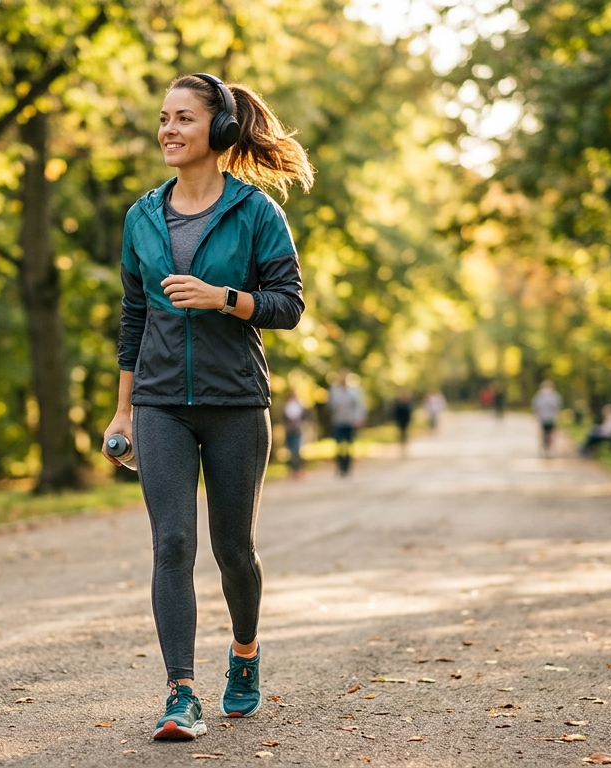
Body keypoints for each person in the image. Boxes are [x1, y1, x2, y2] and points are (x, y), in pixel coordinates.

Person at [101, 72, 313, 742]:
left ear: (217, 131)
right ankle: (180, 694)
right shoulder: (141, 216)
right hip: (161, 401)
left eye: (184, 118)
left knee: (233, 549)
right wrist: (122, 412)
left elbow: (288, 306)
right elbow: (133, 317)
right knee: (171, 543)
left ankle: (245, 655)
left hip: (235, 402)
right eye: (163, 118)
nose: (168, 130)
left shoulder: (255, 214)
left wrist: (225, 297)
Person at [328, 369, 366, 477]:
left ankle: (348, 467)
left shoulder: (355, 390)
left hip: (350, 421)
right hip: (338, 421)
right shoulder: (334, 390)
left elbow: (360, 406)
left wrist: (359, 419)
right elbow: (330, 405)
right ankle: (340, 467)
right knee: (339, 445)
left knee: (349, 445)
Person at [532, 380, 563, 457]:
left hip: (551, 418)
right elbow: (536, 407)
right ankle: (544, 449)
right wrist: (536, 416)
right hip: (543, 418)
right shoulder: (539, 396)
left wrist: (557, 416)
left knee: (551, 434)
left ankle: (551, 449)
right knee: (543, 434)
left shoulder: (555, 396)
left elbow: (558, 407)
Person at [283, 392, 307, 476]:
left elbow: (304, 417)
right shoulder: (286, 406)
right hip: (289, 431)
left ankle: (298, 469)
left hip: (297, 430)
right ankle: (292, 469)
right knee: (291, 451)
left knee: (296, 450)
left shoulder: (299, 406)